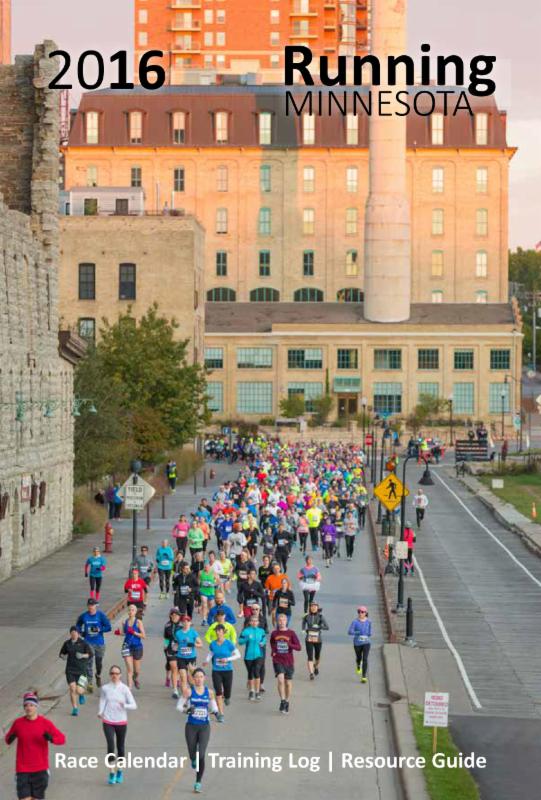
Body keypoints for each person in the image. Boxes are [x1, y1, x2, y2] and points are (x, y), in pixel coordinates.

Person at [5, 692, 66, 800]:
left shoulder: (45, 723)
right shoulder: (18, 723)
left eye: (31, 705)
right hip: (22, 769)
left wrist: (52, 739)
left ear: (36, 706)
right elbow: (7, 739)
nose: (29, 708)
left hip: (40, 769)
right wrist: (10, 738)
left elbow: (62, 739)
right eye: (26, 705)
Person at [177, 668, 219, 794]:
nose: (199, 679)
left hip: (204, 726)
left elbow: (214, 706)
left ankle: (198, 782)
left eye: (201, 676)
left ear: (204, 678)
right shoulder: (188, 691)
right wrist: (186, 710)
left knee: (201, 754)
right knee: (192, 752)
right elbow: (178, 706)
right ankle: (193, 759)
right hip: (191, 726)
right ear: (193, 679)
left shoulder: (209, 692)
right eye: (196, 677)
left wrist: (216, 712)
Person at [98, 664, 137, 785]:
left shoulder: (124, 689)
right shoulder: (105, 688)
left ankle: (119, 770)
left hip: (121, 721)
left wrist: (124, 705)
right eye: (112, 673)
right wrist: (100, 711)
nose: (114, 675)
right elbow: (102, 700)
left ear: (120, 675)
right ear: (110, 675)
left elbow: (134, 705)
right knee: (110, 746)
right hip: (108, 720)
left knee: (120, 746)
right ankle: (111, 772)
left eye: (116, 673)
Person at [205, 624, 241, 721]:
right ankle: (221, 714)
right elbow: (211, 653)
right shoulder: (213, 644)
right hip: (216, 670)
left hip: (227, 670)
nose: (217, 633)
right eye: (216, 631)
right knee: (218, 692)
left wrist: (227, 659)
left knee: (227, 691)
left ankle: (227, 697)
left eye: (219, 631)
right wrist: (207, 660)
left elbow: (238, 655)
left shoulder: (229, 643)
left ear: (223, 632)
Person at [75, 597, 112, 691]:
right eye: (89, 605)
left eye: (92, 605)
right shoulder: (84, 616)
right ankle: (90, 683)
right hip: (88, 643)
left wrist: (100, 629)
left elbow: (108, 627)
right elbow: (78, 624)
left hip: (99, 643)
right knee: (88, 663)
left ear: (96, 606)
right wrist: (80, 632)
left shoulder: (101, 615)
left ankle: (98, 675)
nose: (91, 607)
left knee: (98, 663)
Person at [270, 613, 301, 714]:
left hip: (288, 661)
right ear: (277, 622)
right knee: (280, 680)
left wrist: (290, 645)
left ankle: (287, 700)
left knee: (288, 683)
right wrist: (273, 651)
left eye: (283, 620)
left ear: (286, 621)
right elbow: (272, 643)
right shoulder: (274, 633)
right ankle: (282, 701)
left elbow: (299, 647)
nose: (281, 622)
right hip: (278, 660)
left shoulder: (291, 633)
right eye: (280, 620)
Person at [59, 626, 93, 716]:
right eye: (72, 633)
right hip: (70, 670)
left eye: (75, 633)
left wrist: (82, 655)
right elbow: (61, 654)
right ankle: (75, 708)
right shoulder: (67, 643)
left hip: (81, 670)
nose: (74, 635)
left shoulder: (83, 643)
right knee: (72, 688)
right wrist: (63, 656)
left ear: (78, 634)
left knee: (79, 690)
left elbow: (90, 654)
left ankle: (81, 694)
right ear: (70, 634)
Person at [115, 604, 145, 689]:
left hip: (137, 647)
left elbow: (143, 636)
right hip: (127, 646)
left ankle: (135, 678)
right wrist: (119, 633)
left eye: (132, 610)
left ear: (135, 612)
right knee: (129, 669)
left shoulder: (138, 622)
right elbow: (124, 633)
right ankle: (129, 690)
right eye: (129, 610)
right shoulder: (125, 622)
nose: (130, 611)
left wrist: (134, 632)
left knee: (136, 671)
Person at [238, 613, 266, 700]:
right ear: (250, 622)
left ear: (258, 622)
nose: (254, 622)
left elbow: (264, 639)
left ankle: (257, 692)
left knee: (257, 672)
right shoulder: (246, 631)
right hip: (248, 656)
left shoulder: (261, 631)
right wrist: (247, 638)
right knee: (250, 673)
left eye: (256, 621)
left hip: (258, 655)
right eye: (252, 621)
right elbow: (240, 642)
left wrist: (262, 643)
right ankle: (251, 691)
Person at [175, 615, 203, 694]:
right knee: (183, 677)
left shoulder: (193, 632)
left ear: (190, 623)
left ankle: (193, 693)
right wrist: (173, 647)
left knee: (192, 678)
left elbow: (201, 644)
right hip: (181, 657)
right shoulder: (178, 633)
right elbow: (175, 644)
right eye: (184, 621)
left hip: (191, 657)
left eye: (188, 621)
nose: (186, 623)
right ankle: (185, 696)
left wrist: (194, 644)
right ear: (181, 623)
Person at [302, 600, 329, 680]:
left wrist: (319, 627)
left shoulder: (320, 616)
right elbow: (303, 623)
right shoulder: (306, 616)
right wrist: (303, 629)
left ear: (317, 607)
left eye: (315, 606)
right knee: (310, 656)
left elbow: (327, 627)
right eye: (312, 606)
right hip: (309, 639)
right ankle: (311, 673)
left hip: (318, 639)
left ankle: (316, 666)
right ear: (310, 607)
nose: (313, 608)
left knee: (317, 656)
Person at [347, 606, 372, 683]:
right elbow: (350, 632)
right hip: (357, 643)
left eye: (362, 612)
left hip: (366, 642)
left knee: (365, 659)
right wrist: (358, 632)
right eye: (359, 612)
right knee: (359, 658)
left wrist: (367, 634)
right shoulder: (355, 622)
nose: (360, 613)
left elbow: (370, 632)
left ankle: (364, 676)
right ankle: (358, 665)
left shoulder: (369, 622)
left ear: (366, 613)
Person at [163, 608, 182, 698]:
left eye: (177, 615)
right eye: (173, 615)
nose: (175, 617)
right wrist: (165, 645)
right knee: (171, 666)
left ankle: (176, 680)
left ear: (179, 616)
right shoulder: (167, 625)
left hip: (180, 649)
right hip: (170, 649)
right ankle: (172, 684)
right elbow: (166, 637)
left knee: (177, 667)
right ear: (170, 616)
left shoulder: (182, 626)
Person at [199, 560, 218, 626]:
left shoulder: (213, 573)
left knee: (211, 606)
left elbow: (217, 582)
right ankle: (204, 619)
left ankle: (210, 618)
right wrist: (200, 585)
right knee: (204, 604)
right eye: (205, 567)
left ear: (210, 567)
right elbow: (198, 581)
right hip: (203, 591)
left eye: (207, 567)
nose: (206, 568)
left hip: (211, 592)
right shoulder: (200, 572)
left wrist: (212, 584)